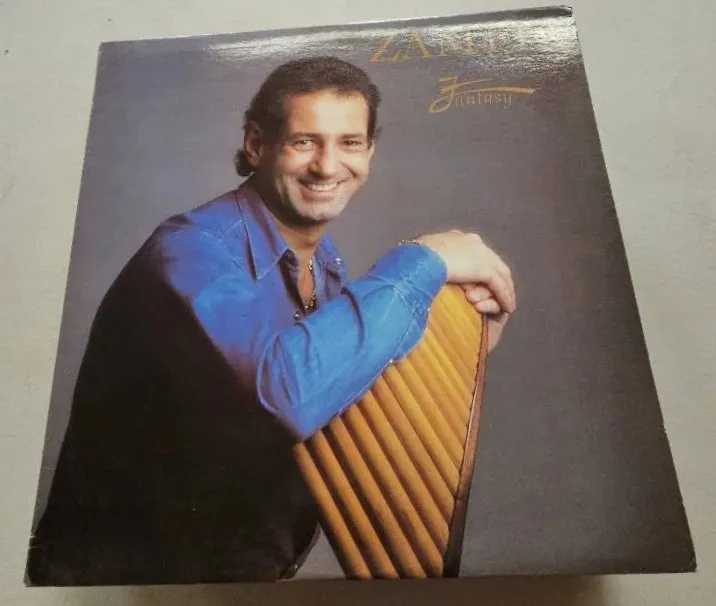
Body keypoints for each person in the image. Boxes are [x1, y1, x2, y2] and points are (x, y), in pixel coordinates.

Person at [26, 56, 515, 585]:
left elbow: (334, 397)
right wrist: (422, 261)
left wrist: (458, 342)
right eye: (304, 141)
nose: (328, 166)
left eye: (350, 143)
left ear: (369, 152)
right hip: (121, 585)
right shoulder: (190, 254)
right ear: (257, 144)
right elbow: (284, 391)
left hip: (239, 580)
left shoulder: (325, 268)